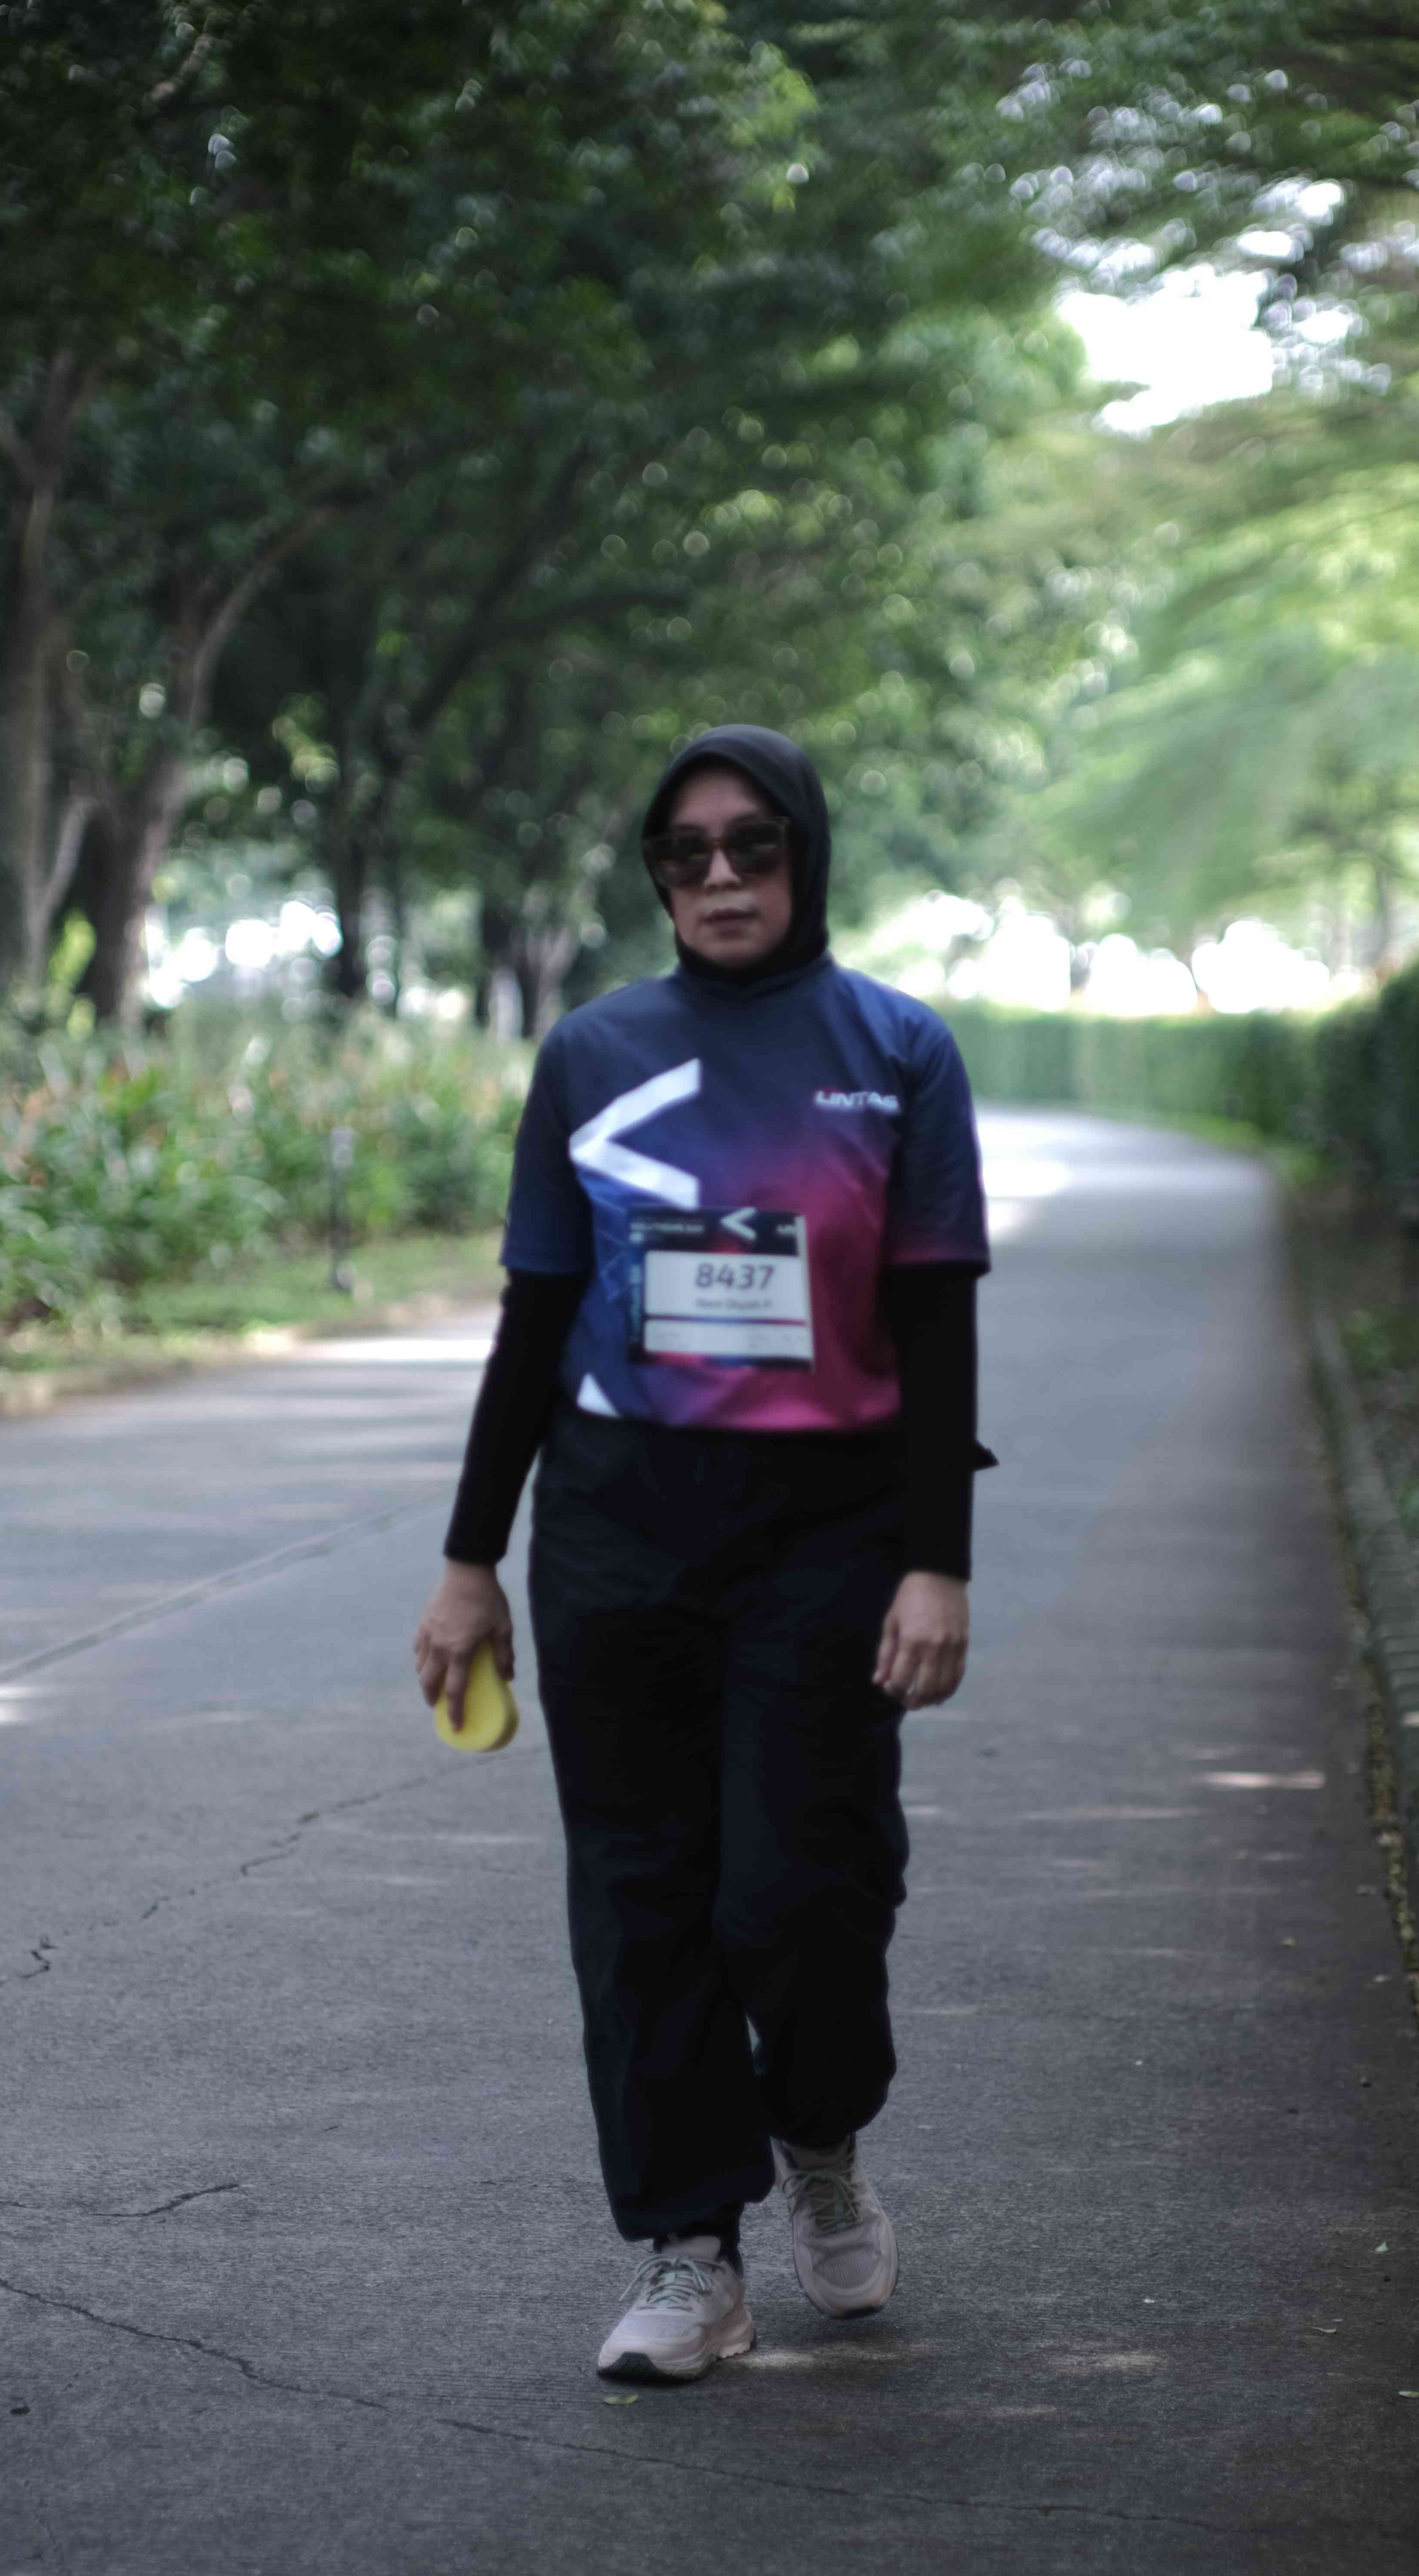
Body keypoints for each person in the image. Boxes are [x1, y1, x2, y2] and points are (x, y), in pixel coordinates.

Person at [413, 724, 991, 2383]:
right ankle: (690, 2253)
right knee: (639, 1895)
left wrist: (937, 1561)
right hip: (618, 1522)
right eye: (688, 852)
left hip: (830, 1527)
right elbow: (535, 1316)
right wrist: (470, 1562)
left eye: (755, 844)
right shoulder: (595, 1051)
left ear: (806, 853)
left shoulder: (897, 1050)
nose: (722, 876)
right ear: (657, 876)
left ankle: (823, 2136)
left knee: (803, 1889)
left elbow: (935, 1325)